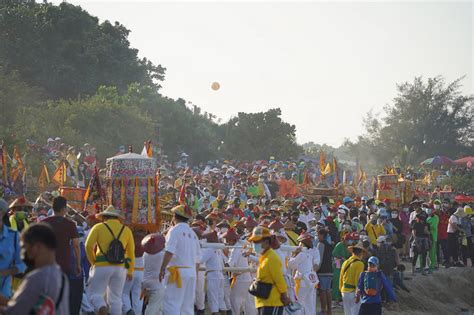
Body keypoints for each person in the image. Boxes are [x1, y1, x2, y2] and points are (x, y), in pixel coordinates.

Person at [0, 223, 69, 315]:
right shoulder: (61, 276)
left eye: (25, 247)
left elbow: (14, 312)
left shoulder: (37, 278)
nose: (23, 254)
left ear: (37, 247)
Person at [85, 206, 135, 315]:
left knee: (95, 295)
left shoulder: (98, 227)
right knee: (116, 298)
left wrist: (93, 262)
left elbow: (88, 246)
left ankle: (103, 310)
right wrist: (130, 270)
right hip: (120, 268)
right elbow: (130, 252)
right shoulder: (126, 230)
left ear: (104, 217)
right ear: (117, 218)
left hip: (101, 265)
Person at [43, 196, 82, 315]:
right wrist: (78, 264)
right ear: (64, 208)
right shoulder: (70, 224)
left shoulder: (44, 222)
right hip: (64, 264)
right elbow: (76, 246)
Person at [159, 205, 200, 315]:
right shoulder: (193, 234)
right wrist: (194, 275)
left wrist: (162, 268)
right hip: (191, 273)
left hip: (177, 272)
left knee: (171, 303)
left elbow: (169, 251)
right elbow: (198, 260)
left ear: (174, 217)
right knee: (187, 306)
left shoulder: (174, 230)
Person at [248, 226, 291, 315]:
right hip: (265, 302)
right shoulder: (265, 257)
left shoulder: (271, 258)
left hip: (272, 302)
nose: (254, 244)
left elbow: (279, 280)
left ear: (267, 242)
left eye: (257, 242)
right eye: (253, 242)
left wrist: (284, 296)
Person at [224, 228, 255, 315]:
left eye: (227, 240)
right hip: (247, 277)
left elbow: (230, 264)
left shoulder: (235, 249)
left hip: (240, 278)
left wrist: (220, 268)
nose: (226, 242)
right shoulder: (242, 246)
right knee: (248, 303)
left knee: (234, 301)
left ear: (230, 239)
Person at [0, 199, 26, 299]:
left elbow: (22, 264)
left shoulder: (14, 237)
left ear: (2, 213)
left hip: (5, 293)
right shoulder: (12, 220)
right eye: (19, 209)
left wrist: (6, 272)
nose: (23, 212)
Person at [288, 233, 318, 315]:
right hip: (310, 282)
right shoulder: (309, 253)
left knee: (298, 302)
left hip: (302, 282)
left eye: (300, 243)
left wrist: (293, 255)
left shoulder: (301, 254)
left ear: (303, 243)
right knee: (309, 304)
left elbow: (290, 264)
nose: (298, 244)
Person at [122, 229, 146, 315]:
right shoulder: (146, 240)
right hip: (141, 273)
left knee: (123, 293)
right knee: (138, 297)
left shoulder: (129, 236)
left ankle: (128, 310)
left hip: (129, 271)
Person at [141, 232, 166, 315]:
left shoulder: (145, 254)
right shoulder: (162, 255)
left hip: (145, 282)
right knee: (153, 307)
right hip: (157, 284)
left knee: (157, 307)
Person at [339, 242, 367, 315]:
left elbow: (341, 278)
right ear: (360, 253)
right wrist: (358, 294)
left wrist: (341, 290)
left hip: (344, 292)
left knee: (347, 313)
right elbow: (358, 280)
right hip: (353, 292)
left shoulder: (345, 262)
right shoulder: (360, 264)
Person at [317, 228, 333, 315]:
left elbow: (319, 259)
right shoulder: (329, 244)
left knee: (322, 290)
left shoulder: (321, 244)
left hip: (322, 270)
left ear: (322, 235)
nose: (317, 236)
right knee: (328, 290)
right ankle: (329, 310)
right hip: (329, 270)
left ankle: (323, 310)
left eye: (318, 234)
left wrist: (316, 269)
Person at [426, 205, 439, 272]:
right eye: (428, 209)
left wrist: (426, 227)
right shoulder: (427, 217)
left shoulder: (436, 217)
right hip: (427, 237)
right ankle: (428, 265)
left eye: (430, 209)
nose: (429, 210)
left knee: (432, 252)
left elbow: (433, 226)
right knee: (427, 252)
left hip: (433, 237)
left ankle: (433, 265)